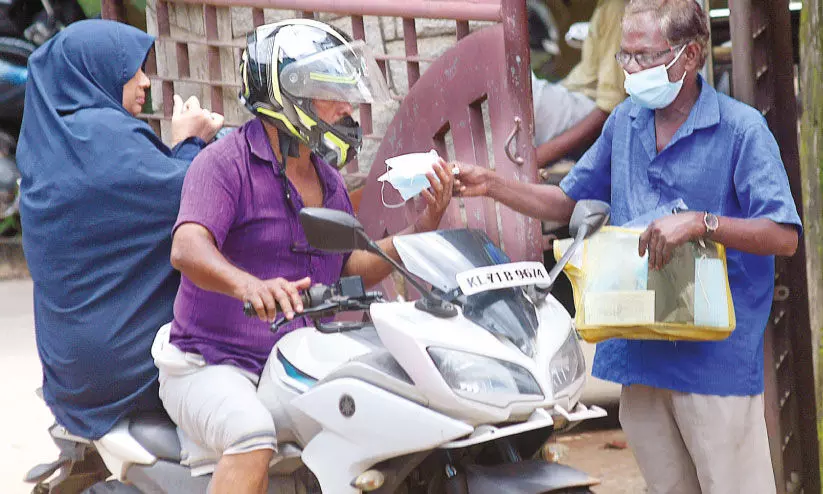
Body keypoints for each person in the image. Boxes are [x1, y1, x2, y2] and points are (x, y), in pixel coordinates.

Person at [455, 1, 801, 492]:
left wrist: (700, 223)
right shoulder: (627, 122)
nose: (632, 70)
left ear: (690, 55)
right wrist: (491, 184)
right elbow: (566, 201)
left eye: (643, 56)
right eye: (625, 58)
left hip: (713, 363)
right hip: (639, 353)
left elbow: (782, 235)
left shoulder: (740, 129)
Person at [151, 19, 454, 494]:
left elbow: (353, 265)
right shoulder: (223, 163)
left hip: (292, 361)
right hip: (210, 364)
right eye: (329, 89)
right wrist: (248, 285)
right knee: (251, 434)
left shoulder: (326, 177)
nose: (347, 105)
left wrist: (425, 223)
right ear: (286, 97)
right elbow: (187, 247)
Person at [16, 19, 223, 440]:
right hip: (130, 367)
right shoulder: (103, 135)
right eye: (131, 70)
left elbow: (128, 204)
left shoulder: (48, 138)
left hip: (69, 372)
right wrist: (189, 142)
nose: (144, 82)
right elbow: (184, 198)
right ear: (94, 70)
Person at [531, 0, 627, 170]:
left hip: (587, 107)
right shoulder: (608, 6)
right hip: (573, 94)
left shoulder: (616, 8)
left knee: (524, 92)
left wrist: (537, 158)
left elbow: (609, 110)